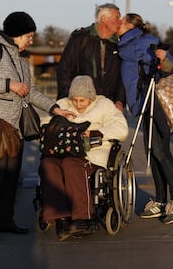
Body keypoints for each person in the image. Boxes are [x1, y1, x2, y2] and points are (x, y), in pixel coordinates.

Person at [0, 11, 74, 242]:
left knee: (11, 175)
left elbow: (32, 91)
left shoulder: (20, 57)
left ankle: (6, 222)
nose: (31, 40)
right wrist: (9, 84)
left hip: (13, 128)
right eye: (28, 35)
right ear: (16, 34)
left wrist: (55, 108)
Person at [117, 13, 173, 225]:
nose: (118, 25)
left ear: (131, 26)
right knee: (153, 150)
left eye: (122, 22)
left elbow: (170, 65)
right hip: (143, 104)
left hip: (156, 103)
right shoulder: (124, 47)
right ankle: (160, 200)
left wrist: (164, 59)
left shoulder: (144, 42)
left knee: (160, 150)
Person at [40, 75, 129, 241]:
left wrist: (97, 133)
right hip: (62, 151)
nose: (78, 105)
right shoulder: (62, 105)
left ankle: (85, 217)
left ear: (91, 98)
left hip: (92, 153)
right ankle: (61, 216)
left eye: (83, 101)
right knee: (48, 164)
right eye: (75, 100)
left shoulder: (104, 105)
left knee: (71, 164)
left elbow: (121, 129)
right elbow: (45, 124)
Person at [56, 3, 126, 111]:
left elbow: (122, 76)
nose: (120, 22)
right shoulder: (80, 39)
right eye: (116, 18)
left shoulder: (118, 45)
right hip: (80, 106)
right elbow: (64, 71)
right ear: (103, 19)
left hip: (108, 106)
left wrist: (119, 101)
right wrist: (69, 101)